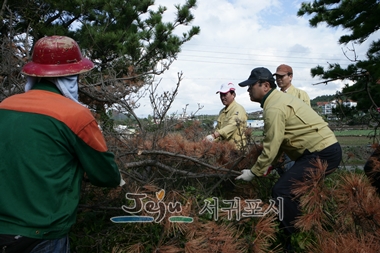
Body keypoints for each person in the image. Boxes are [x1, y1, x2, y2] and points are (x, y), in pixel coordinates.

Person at [0, 35, 124, 253]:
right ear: (70, 77)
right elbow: (106, 176)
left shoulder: (5, 106)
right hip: (42, 235)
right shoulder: (75, 115)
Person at [235, 67, 342, 248]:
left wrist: (254, 172)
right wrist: (268, 165)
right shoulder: (277, 101)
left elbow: (272, 144)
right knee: (291, 193)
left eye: (251, 85)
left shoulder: (274, 107)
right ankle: (308, 231)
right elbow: (280, 142)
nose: (248, 90)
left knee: (282, 191)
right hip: (319, 151)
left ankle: (295, 241)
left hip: (322, 153)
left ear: (265, 86)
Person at [274, 64, 311, 171]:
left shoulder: (301, 95)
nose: (279, 80)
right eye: (277, 77)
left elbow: (306, 119)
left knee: (292, 176)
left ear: (290, 76)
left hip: (295, 144)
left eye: (282, 76)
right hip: (279, 144)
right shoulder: (275, 97)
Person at [205, 82, 247, 149]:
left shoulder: (238, 109)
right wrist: (210, 141)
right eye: (221, 95)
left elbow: (232, 125)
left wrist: (214, 135)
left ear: (233, 95)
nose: (222, 97)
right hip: (225, 150)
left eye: (225, 94)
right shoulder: (222, 112)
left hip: (237, 150)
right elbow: (218, 129)